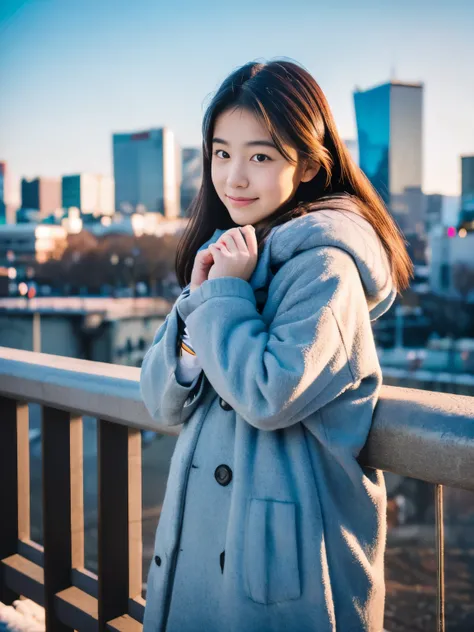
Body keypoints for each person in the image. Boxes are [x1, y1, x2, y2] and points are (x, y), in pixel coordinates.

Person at [139, 59, 413, 632]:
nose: (233, 177)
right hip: (217, 541)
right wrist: (201, 306)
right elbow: (161, 400)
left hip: (288, 555)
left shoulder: (326, 268)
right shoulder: (230, 253)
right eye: (221, 152)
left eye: (259, 156)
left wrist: (225, 297)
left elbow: (269, 395)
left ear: (309, 165)